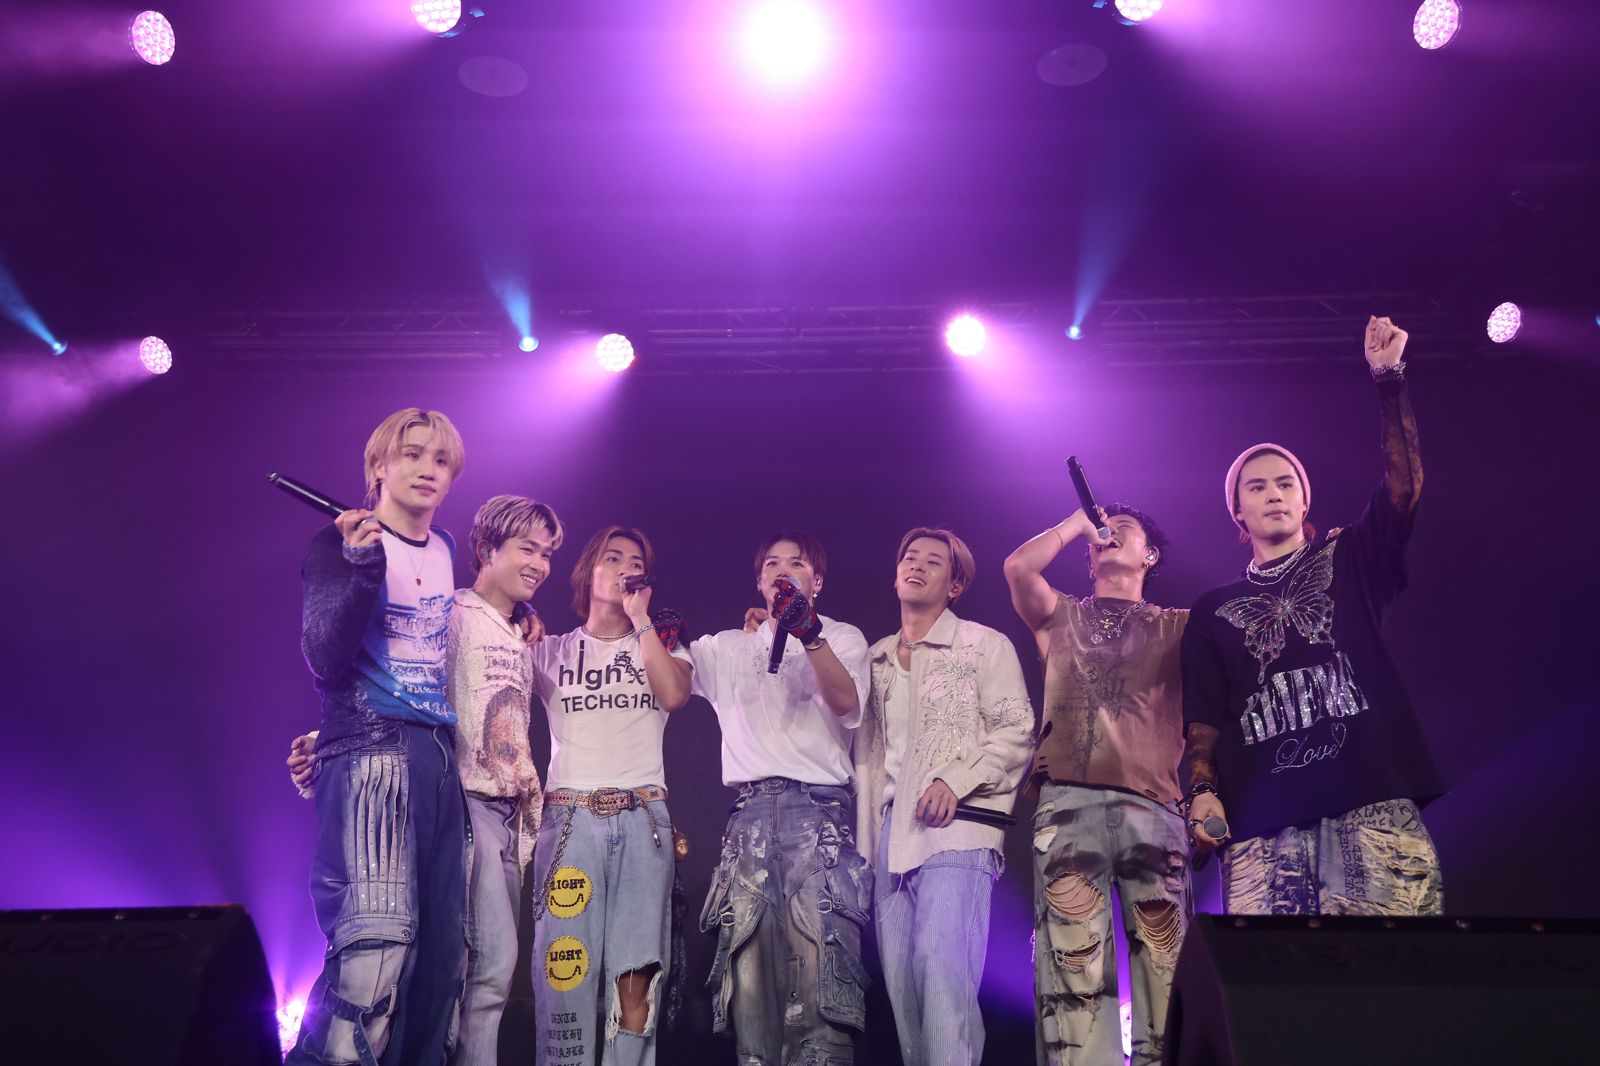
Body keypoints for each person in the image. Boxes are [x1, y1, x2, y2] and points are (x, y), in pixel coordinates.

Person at [1181, 316, 1445, 916]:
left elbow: (1403, 490)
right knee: (1272, 973)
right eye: (1256, 487)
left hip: (1369, 800)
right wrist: (1201, 791)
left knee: (1394, 961)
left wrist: (1389, 380)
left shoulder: (1349, 557)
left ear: (1304, 500)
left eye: (1285, 483)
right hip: (1263, 820)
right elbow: (1204, 724)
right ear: (1238, 513)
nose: (1273, 493)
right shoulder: (1213, 609)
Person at [290, 493, 561, 1065]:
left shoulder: (522, 630)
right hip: (458, 801)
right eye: (527, 549)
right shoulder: (452, 612)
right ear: (485, 550)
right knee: (433, 967)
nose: (539, 563)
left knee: (485, 976)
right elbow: (404, 679)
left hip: (507, 816)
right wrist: (328, 739)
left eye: (547, 554)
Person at [285, 408, 470, 1066]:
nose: (427, 468)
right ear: (379, 467)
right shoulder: (336, 543)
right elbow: (324, 658)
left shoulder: (445, 547)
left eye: (441, 459)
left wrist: (523, 612)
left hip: (438, 758)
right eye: (412, 454)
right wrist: (363, 566)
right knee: (374, 952)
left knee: (440, 964)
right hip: (370, 754)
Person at [1004, 502, 1189, 1066]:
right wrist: (1074, 525)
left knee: (1167, 973)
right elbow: (1018, 568)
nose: (1109, 534)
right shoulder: (1060, 615)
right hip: (1069, 807)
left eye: (1124, 530)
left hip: (1154, 808)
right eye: (1102, 531)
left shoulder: (1179, 625)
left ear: (1149, 555)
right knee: (1075, 980)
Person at [691, 532, 873, 1066]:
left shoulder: (842, 636)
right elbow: (668, 675)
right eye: (772, 563)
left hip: (817, 814)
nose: (783, 570)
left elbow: (847, 704)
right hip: (747, 819)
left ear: (817, 582)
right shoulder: (729, 646)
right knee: (752, 998)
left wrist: (809, 633)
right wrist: (648, 623)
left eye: (797, 563)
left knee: (822, 984)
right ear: (759, 581)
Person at [854, 527, 1034, 1066]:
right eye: (909, 557)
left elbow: (1017, 730)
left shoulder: (983, 645)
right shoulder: (875, 659)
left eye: (933, 562)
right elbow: (855, 746)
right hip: (891, 836)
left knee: (941, 974)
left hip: (958, 827)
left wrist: (954, 780)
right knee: (904, 989)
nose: (916, 565)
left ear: (955, 586)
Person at [526, 526, 693, 1066]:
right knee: (564, 971)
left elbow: (675, 695)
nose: (625, 568)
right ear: (587, 571)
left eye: (635, 562)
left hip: (643, 820)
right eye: (612, 557)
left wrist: (643, 620)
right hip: (570, 822)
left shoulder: (663, 644)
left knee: (636, 977)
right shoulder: (550, 650)